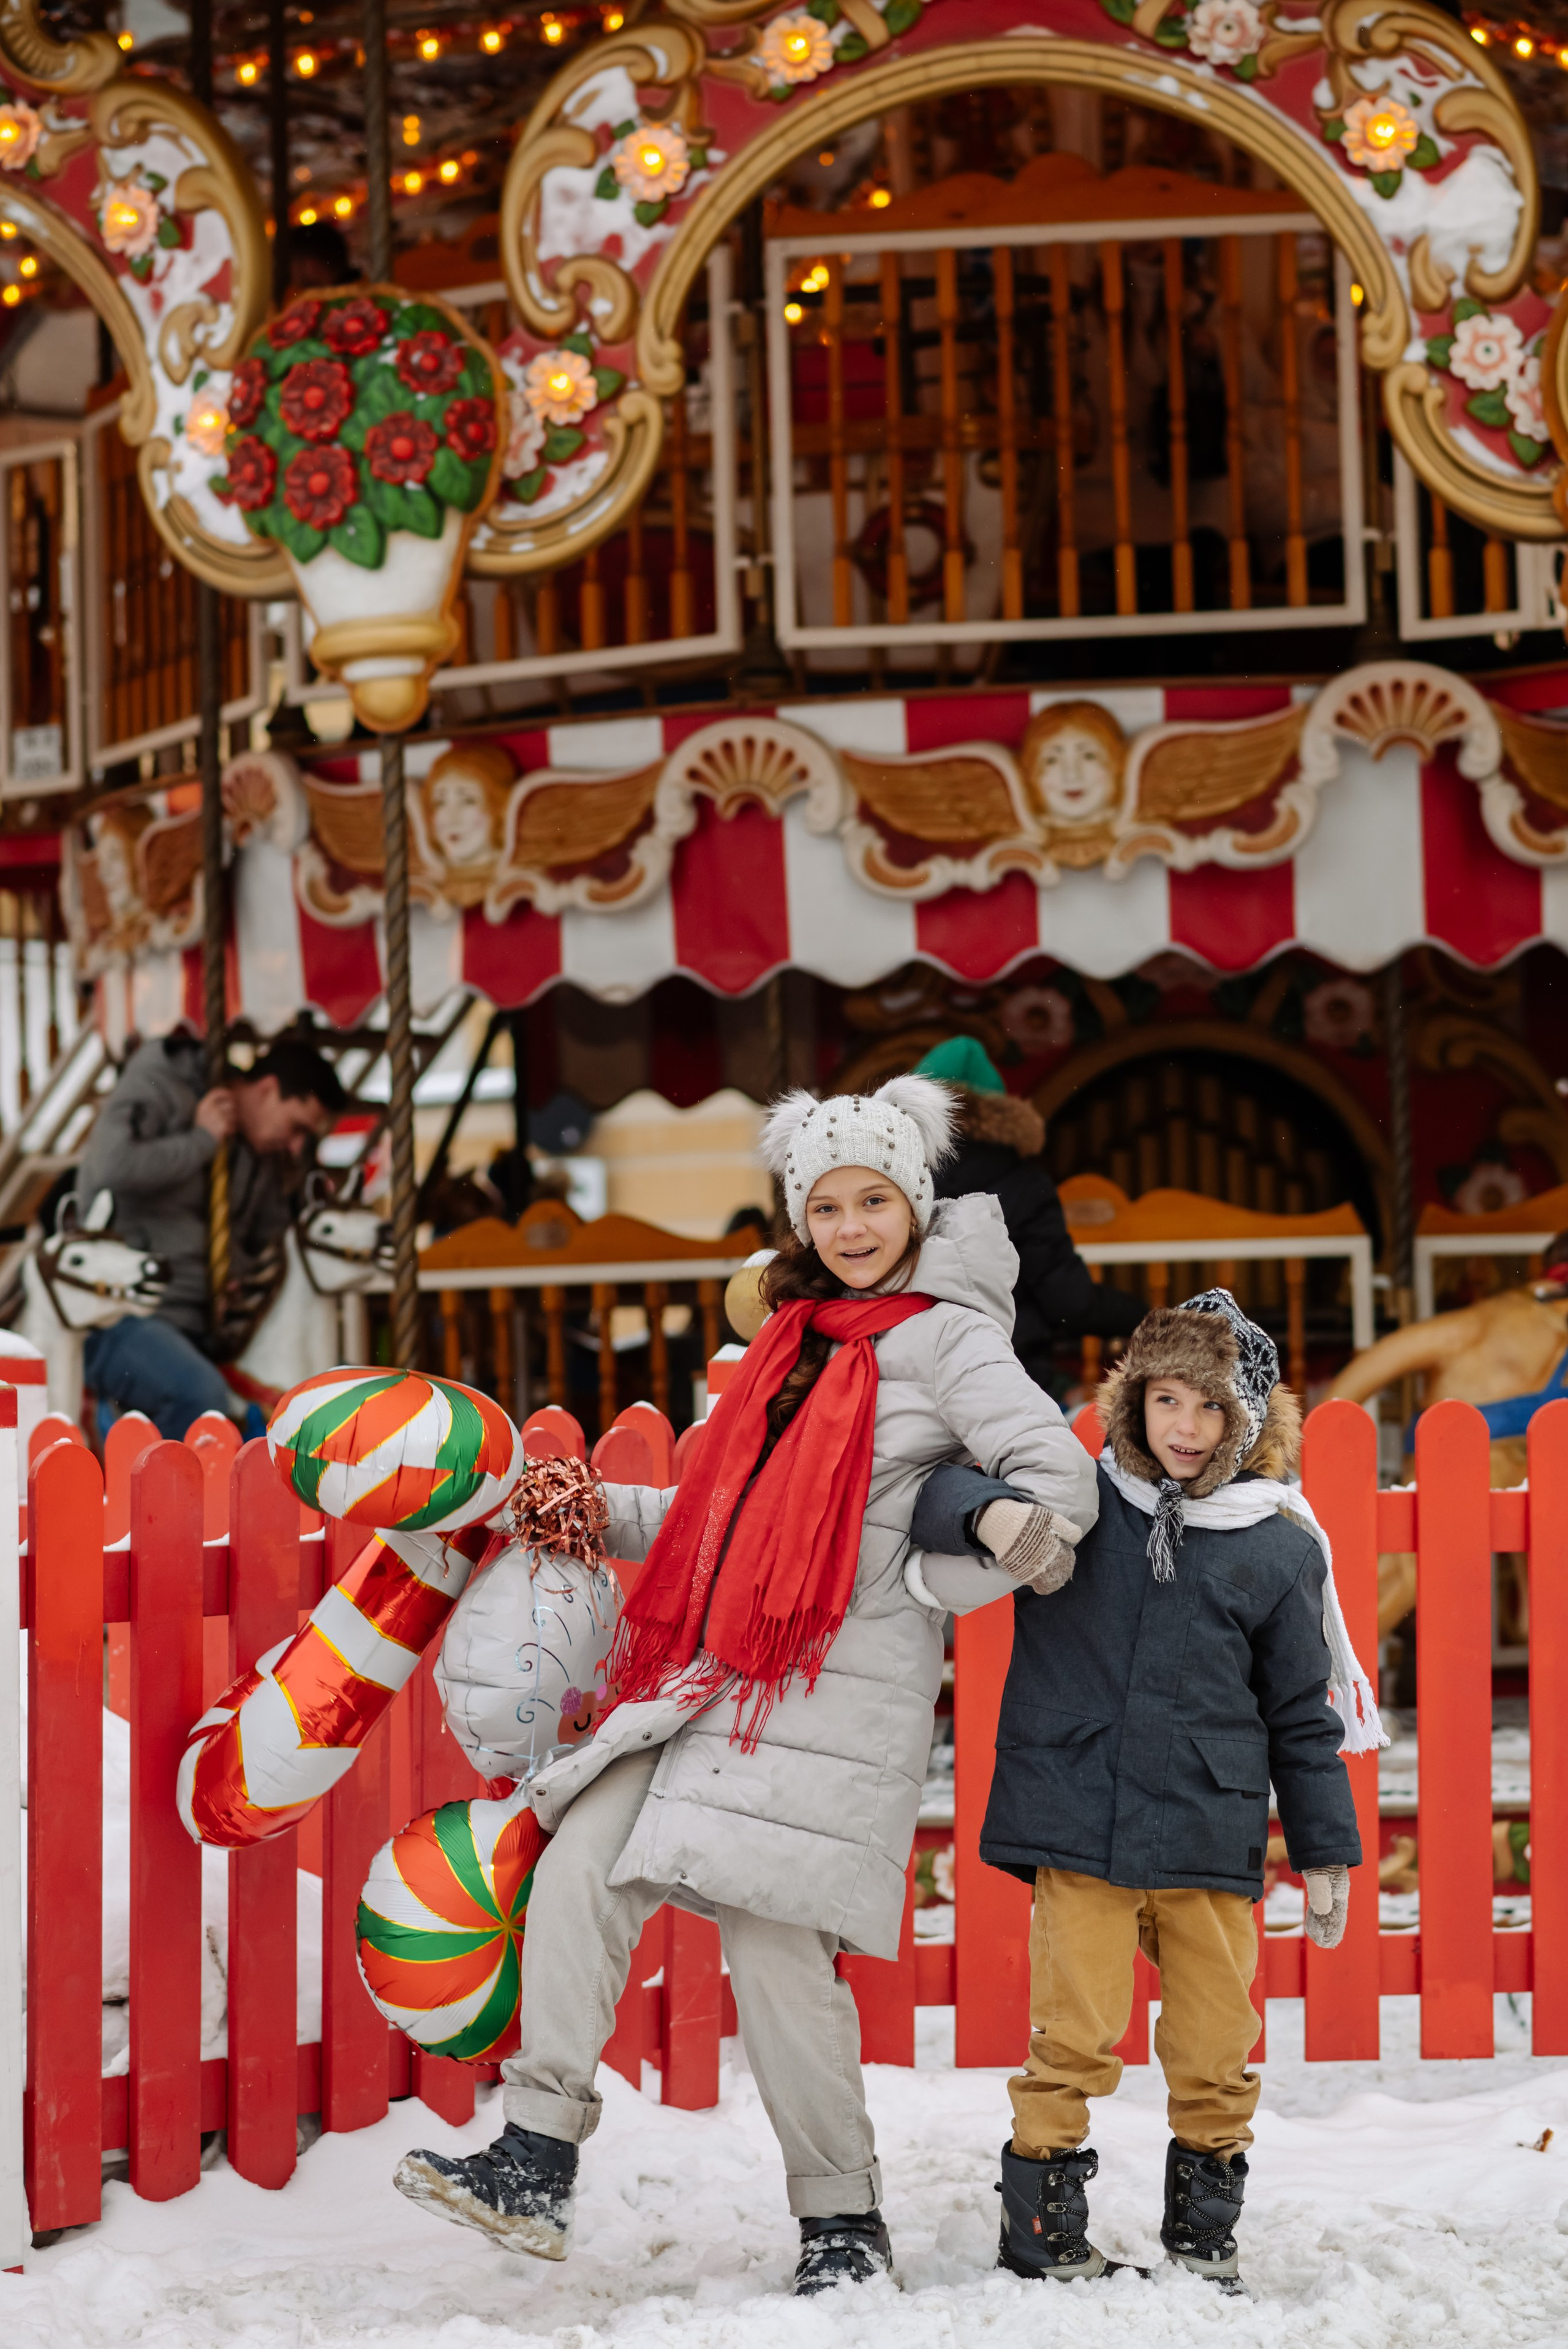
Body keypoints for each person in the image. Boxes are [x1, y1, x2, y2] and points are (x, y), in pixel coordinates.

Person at [394, 1076, 1099, 2291]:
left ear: (914, 1205)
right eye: (826, 1205)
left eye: (873, 1199)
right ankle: (535, 2157)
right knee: (578, 1871)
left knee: (777, 1961)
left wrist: (967, 1551)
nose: (851, 1225)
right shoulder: (789, 1344)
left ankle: (842, 2225)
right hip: (711, 1679)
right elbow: (718, 1522)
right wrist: (581, 1510)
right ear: (799, 1220)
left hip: (829, 1696)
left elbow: (1059, 1483)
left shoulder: (948, 1336)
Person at [913, 1288, 1379, 2292]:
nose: (1187, 1427)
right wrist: (993, 1515)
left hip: (1206, 1829)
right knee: (1072, 2034)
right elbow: (930, 1493)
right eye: (1169, 1400)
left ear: (1245, 1423)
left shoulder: (1276, 1546)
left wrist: (1326, 1845)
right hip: (1079, 1813)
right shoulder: (1074, 1501)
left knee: (1218, 2044)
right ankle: (1041, 2233)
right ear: (1135, 1402)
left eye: (1212, 1409)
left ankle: (1204, 2237)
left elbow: (1302, 1712)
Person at [74, 1031, 347, 1439]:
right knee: (198, 1395)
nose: (296, 1146)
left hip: (200, 1323)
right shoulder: (165, 1077)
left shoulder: (265, 1156)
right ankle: (166, 1501)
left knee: (277, 1401)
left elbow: (267, 1240)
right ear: (267, 1089)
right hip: (120, 1313)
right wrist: (200, 1141)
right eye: (296, 1128)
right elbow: (110, 1166)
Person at [912, 1036, 1144, 1384]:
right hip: (1008, 1376)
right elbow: (1070, 1304)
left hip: (910, 1375)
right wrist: (1146, 1316)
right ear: (1002, 1114)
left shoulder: (889, 1184)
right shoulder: (1025, 1185)